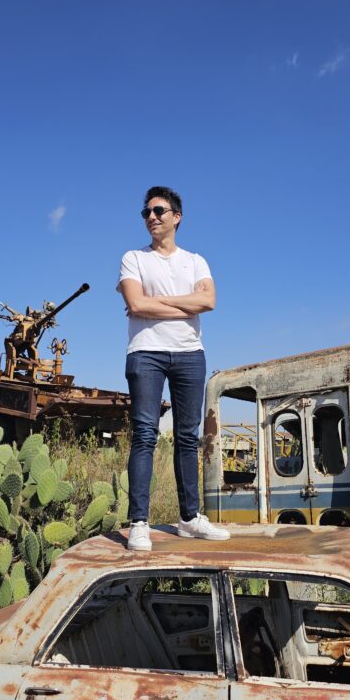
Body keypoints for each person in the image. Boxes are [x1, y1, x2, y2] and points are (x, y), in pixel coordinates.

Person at [117, 186, 230, 551]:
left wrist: (156, 301)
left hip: (189, 354)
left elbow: (209, 301)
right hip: (146, 352)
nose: (151, 217)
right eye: (146, 212)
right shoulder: (133, 258)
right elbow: (135, 304)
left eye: (159, 211)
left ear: (177, 216)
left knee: (187, 437)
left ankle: (189, 518)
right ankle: (139, 522)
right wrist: (183, 305)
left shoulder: (196, 261)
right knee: (146, 434)